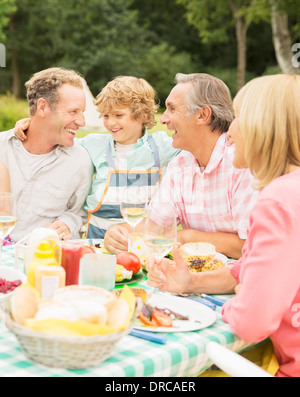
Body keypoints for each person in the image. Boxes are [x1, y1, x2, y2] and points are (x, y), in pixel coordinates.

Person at [148, 74, 300, 377]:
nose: (230, 129)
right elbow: (248, 266)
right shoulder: (290, 189)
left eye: (240, 117)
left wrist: (244, 295)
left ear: (264, 128)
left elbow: (250, 323)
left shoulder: (276, 201)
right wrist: (190, 283)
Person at [104, 73, 258, 259]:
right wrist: (122, 231)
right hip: (194, 276)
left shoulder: (242, 162)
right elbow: (156, 224)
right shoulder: (181, 164)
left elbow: (251, 245)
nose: (163, 119)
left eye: (172, 109)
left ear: (202, 115)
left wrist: (189, 236)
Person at [14, 76, 180, 239]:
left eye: (118, 115)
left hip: (142, 241)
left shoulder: (161, 147)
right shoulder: (95, 144)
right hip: (97, 241)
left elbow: (195, 144)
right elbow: (58, 137)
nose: (110, 123)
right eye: (106, 116)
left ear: (142, 115)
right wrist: (32, 124)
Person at [0, 67, 93, 241]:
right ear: (43, 107)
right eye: (73, 111)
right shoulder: (2, 147)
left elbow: (77, 213)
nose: (82, 121)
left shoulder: (80, 161)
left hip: (40, 257)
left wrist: (67, 224)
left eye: (82, 112)